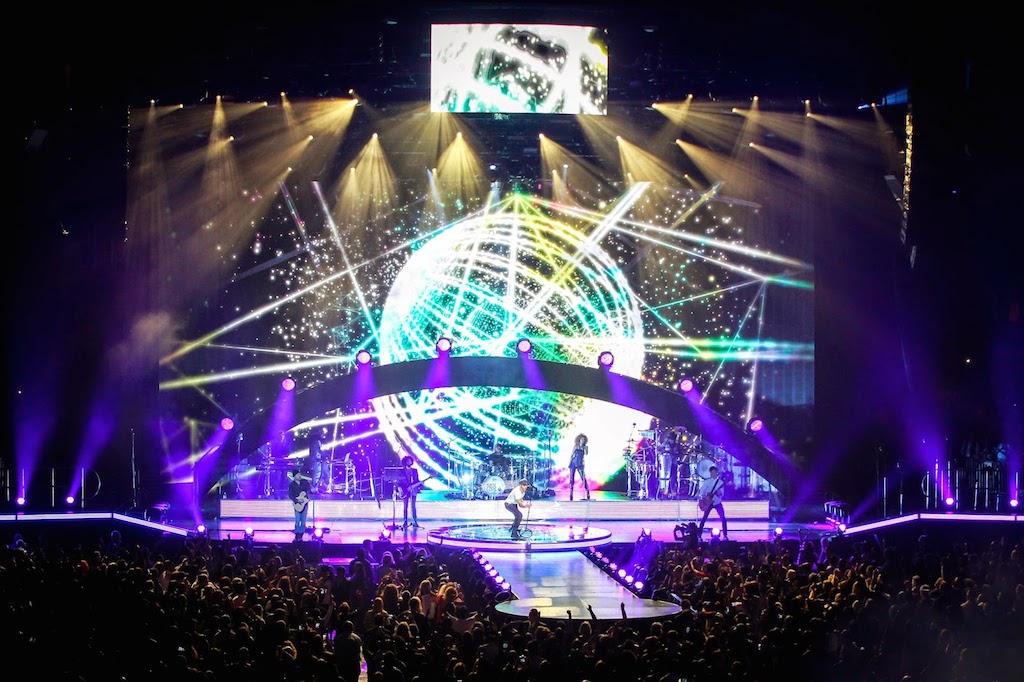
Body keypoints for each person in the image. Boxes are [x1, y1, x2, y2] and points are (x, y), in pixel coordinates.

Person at [695, 464, 727, 540]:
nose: (713, 474)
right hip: (708, 503)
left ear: (717, 473)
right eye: (711, 473)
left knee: (723, 518)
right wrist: (706, 495)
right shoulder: (707, 482)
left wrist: (718, 493)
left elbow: (721, 494)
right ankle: (699, 535)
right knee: (704, 518)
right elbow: (702, 492)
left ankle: (725, 535)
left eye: (714, 472)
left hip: (717, 502)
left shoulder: (720, 482)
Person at [288, 467, 313, 542]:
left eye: (300, 474)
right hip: (297, 505)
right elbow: (290, 495)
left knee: (303, 521)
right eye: (298, 474)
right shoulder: (292, 485)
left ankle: (301, 536)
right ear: (294, 476)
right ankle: (297, 535)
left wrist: (309, 494)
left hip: (305, 504)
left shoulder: (304, 482)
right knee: (297, 520)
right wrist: (297, 500)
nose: (299, 476)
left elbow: (309, 490)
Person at [399, 455, 421, 529]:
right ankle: (405, 521)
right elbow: (400, 481)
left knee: (413, 506)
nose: (410, 462)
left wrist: (419, 484)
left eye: (410, 461)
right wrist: (401, 489)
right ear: (405, 462)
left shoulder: (414, 471)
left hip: (413, 491)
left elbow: (417, 480)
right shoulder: (401, 471)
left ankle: (415, 521)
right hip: (405, 490)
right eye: (408, 461)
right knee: (405, 506)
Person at [568, 433, 590, 501]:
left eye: (583, 439)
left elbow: (586, 454)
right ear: (579, 439)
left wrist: (583, 447)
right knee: (571, 478)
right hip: (573, 463)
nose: (582, 440)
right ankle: (571, 493)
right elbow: (572, 455)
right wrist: (569, 462)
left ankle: (587, 492)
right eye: (581, 439)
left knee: (583, 477)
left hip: (580, 463)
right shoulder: (576, 446)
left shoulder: (585, 447)